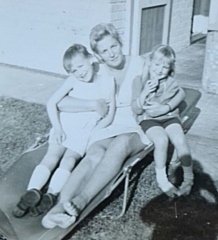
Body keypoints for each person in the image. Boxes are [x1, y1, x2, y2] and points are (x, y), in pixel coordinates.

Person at [42, 23, 186, 229]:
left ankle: (81, 200)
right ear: (97, 55)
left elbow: (177, 88)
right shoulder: (93, 68)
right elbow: (61, 100)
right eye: (104, 50)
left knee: (120, 145)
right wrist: (91, 105)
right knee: (94, 154)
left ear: (120, 43)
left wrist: (167, 106)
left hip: (138, 121)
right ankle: (55, 211)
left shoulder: (141, 63)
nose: (111, 54)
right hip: (107, 121)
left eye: (113, 46)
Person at [13, 44, 116, 218]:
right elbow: (51, 103)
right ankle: (34, 192)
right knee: (52, 156)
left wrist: (94, 133)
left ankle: (49, 194)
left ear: (91, 59)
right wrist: (58, 128)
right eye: (74, 70)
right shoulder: (73, 81)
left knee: (68, 160)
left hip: (85, 130)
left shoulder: (106, 82)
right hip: (66, 124)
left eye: (81, 66)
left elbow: (110, 114)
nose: (80, 72)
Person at [131, 44, 194, 197]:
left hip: (169, 117)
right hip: (148, 119)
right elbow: (137, 109)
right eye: (157, 64)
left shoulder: (170, 82)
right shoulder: (139, 81)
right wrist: (145, 93)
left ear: (170, 69)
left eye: (165, 67)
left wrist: (165, 108)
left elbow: (181, 93)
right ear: (150, 62)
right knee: (161, 140)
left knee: (180, 139)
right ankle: (162, 180)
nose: (159, 70)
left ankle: (189, 179)